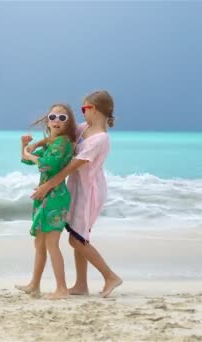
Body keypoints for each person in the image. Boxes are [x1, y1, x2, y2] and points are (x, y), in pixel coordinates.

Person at [31, 90, 123, 298]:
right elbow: (62, 136)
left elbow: (72, 166)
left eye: (85, 108)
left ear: (96, 110)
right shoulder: (84, 129)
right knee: (77, 233)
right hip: (76, 187)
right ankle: (81, 284)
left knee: (77, 239)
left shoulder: (100, 139)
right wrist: (38, 144)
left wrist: (48, 186)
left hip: (89, 191)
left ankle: (110, 276)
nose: (82, 113)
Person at [16, 103, 77, 300]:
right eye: (53, 117)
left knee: (51, 243)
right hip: (44, 195)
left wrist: (30, 154)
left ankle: (62, 289)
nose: (57, 121)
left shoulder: (63, 143)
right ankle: (34, 285)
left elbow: (45, 165)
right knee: (39, 243)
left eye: (62, 118)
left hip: (55, 196)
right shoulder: (52, 143)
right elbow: (26, 160)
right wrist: (24, 146)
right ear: (48, 120)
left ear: (68, 124)